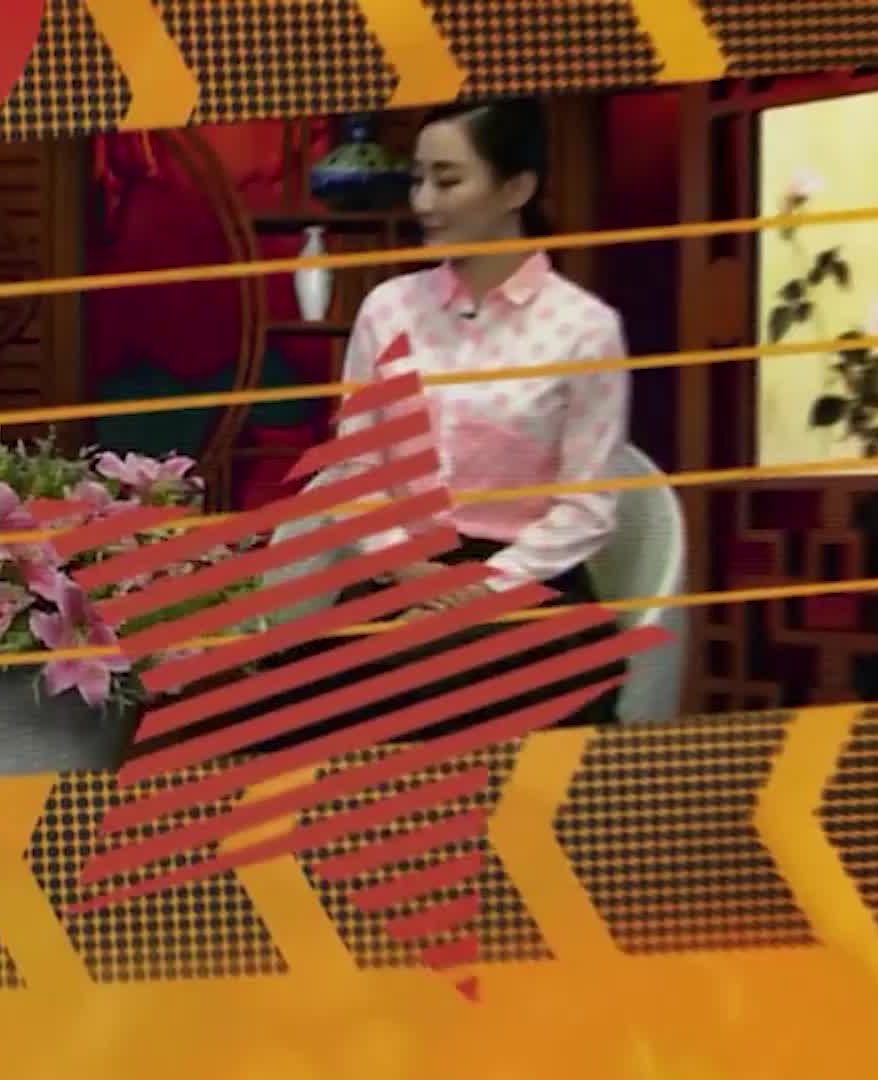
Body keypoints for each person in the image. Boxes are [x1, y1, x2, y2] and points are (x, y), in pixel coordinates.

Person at [261, 97, 633, 748]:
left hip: (525, 582)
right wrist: (407, 567)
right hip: (399, 572)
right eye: (418, 180)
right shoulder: (388, 309)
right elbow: (357, 466)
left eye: (448, 180)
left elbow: (588, 507)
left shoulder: (585, 329)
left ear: (516, 188)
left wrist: (481, 587)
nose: (425, 202)